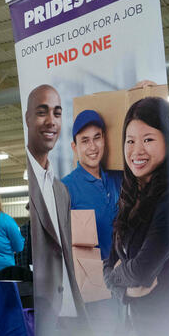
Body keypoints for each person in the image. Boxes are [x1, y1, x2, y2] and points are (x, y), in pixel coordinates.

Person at [104, 97, 169, 336]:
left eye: (148, 139)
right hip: (135, 326)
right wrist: (126, 290)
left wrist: (118, 275)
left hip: (162, 328)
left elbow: (141, 270)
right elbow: (107, 267)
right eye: (130, 141)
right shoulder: (130, 198)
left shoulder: (167, 201)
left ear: (167, 142)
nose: (137, 151)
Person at [25, 84, 84, 320]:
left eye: (57, 113)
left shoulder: (61, 190)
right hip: (43, 312)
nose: (51, 121)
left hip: (72, 310)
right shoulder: (29, 180)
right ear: (28, 118)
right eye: (42, 112)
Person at [61, 109, 122, 261]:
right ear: (74, 147)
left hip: (126, 276)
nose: (93, 147)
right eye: (85, 140)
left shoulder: (119, 179)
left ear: (104, 139)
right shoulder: (65, 188)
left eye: (97, 138)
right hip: (91, 279)